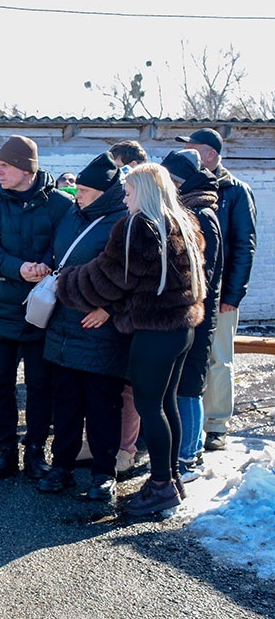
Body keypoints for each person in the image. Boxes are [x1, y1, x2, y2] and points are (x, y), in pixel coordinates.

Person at [57, 163, 205, 516]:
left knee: (150, 407)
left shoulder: (139, 226)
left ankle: (160, 486)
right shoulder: (182, 222)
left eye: (128, 192)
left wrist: (66, 281)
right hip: (181, 328)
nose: (124, 199)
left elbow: (108, 277)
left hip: (154, 331)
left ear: (144, 192)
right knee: (166, 403)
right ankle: (169, 478)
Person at [0, 135, 73, 479]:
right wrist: (19, 268)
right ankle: (5, 453)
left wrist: (43, 267)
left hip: (42, 311)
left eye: (4, 165)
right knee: (0, 386)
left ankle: (35, 452)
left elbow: (66, 247)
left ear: (25, 169)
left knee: (40, 386)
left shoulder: (60, 204)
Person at [35, 153, 129, 502]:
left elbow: (131, 274)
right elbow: (56, 252)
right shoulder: (73, 215)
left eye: (86, 191)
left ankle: (104, 473)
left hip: (99, 330)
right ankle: (62, 465)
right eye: (77, 189)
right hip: (63, 322)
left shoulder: (123, 221)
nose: (78, 195)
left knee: (103, 404)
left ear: (105, 193)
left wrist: (109, 308)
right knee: (66, 401)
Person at [175, 128, 256, 452]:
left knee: (218, 360)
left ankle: (217, 425)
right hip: (190, 295)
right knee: (190, 360)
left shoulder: (236, 191)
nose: (188, 154)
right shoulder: (188, 189)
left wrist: (232, 296)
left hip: (220, 294)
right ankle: (189, 426)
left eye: (193, 148)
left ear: (209, 154)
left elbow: (244, 246)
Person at [161, 149, 222, 482]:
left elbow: (204, 273)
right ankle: (188, 450)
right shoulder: (196, 209)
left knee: (188, 386)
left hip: (197, 314)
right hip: (193, 312)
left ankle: (190, 457)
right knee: (185, 384)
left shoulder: (202, 215)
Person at [110, 140, 149, 474]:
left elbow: (122, 275)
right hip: (127, 317)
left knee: (133, 392)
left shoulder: (143, 226)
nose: (123, 196)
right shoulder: (129, 217)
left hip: (142, 321)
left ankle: (127, 451)